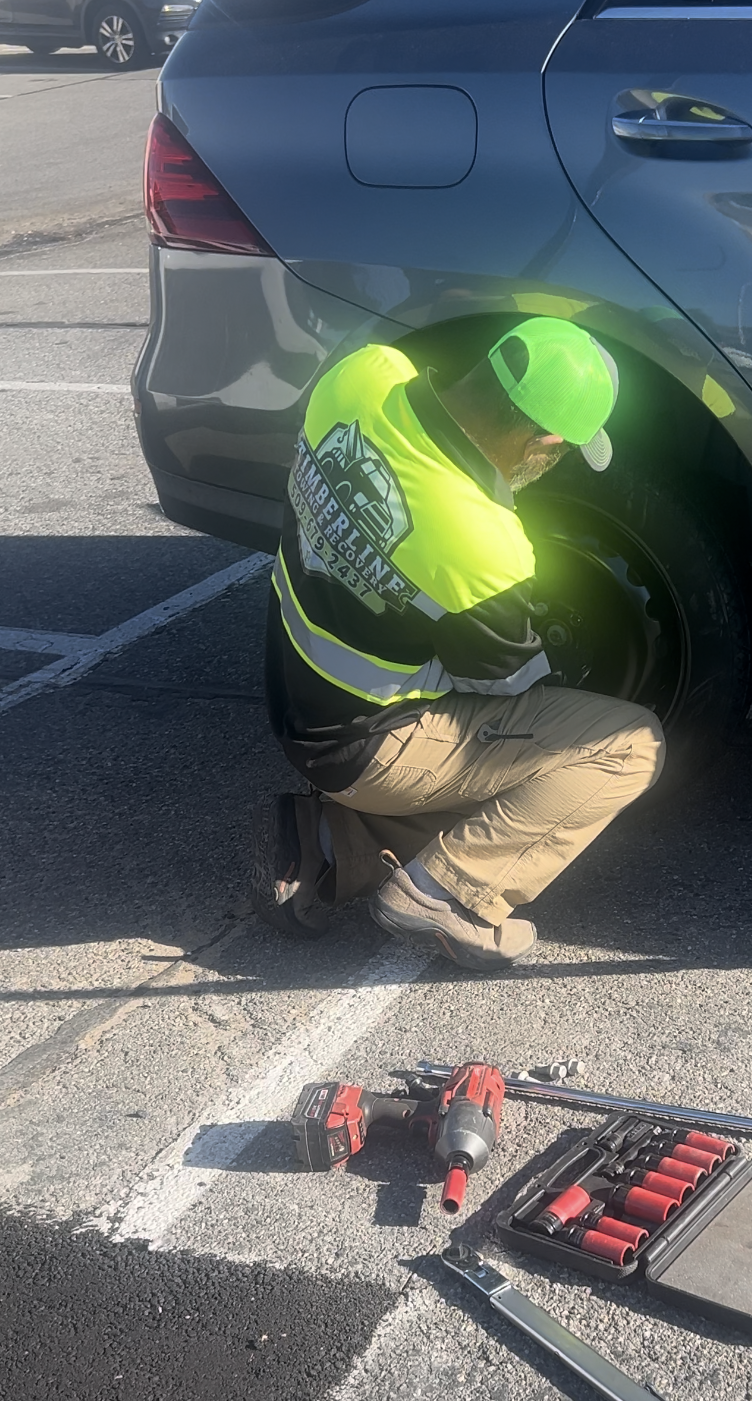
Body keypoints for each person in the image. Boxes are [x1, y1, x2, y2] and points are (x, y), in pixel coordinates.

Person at [250, 317, 665, 969]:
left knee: (504, 749)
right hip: (363, 748)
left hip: (288, 686)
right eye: (557, 455)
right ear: (546, 439)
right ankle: (445, 893)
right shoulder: (487, 545)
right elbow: (507, 688)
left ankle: (329, 844)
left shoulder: (360, 374)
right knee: (619, 748)